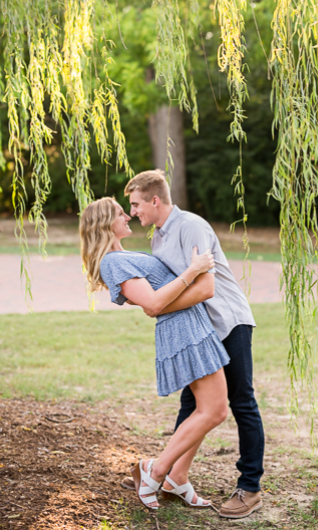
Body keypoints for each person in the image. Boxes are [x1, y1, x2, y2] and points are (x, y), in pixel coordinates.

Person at [125, 169, 264, 519]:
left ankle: (250, 487)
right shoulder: (158, 236)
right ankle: (171, 475)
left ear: (155, 200)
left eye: (137, 204)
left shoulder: (191, 227)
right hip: (200, 331)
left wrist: (156, 306)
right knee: (192, 404)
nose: (133, 212)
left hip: (227, 323)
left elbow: (205, 288)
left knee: (241, 401)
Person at [80, 197, 229, 511]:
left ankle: (177, 478)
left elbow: (155, 301)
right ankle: (156, 470)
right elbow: (154, 304)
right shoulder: (111, 262)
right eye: (121, 212)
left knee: (205, 409)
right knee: (214, 411)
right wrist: (193, 270)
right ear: (107, 222)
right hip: (183, 331)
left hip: (192, 325)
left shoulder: (123, 255)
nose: (128, 215)